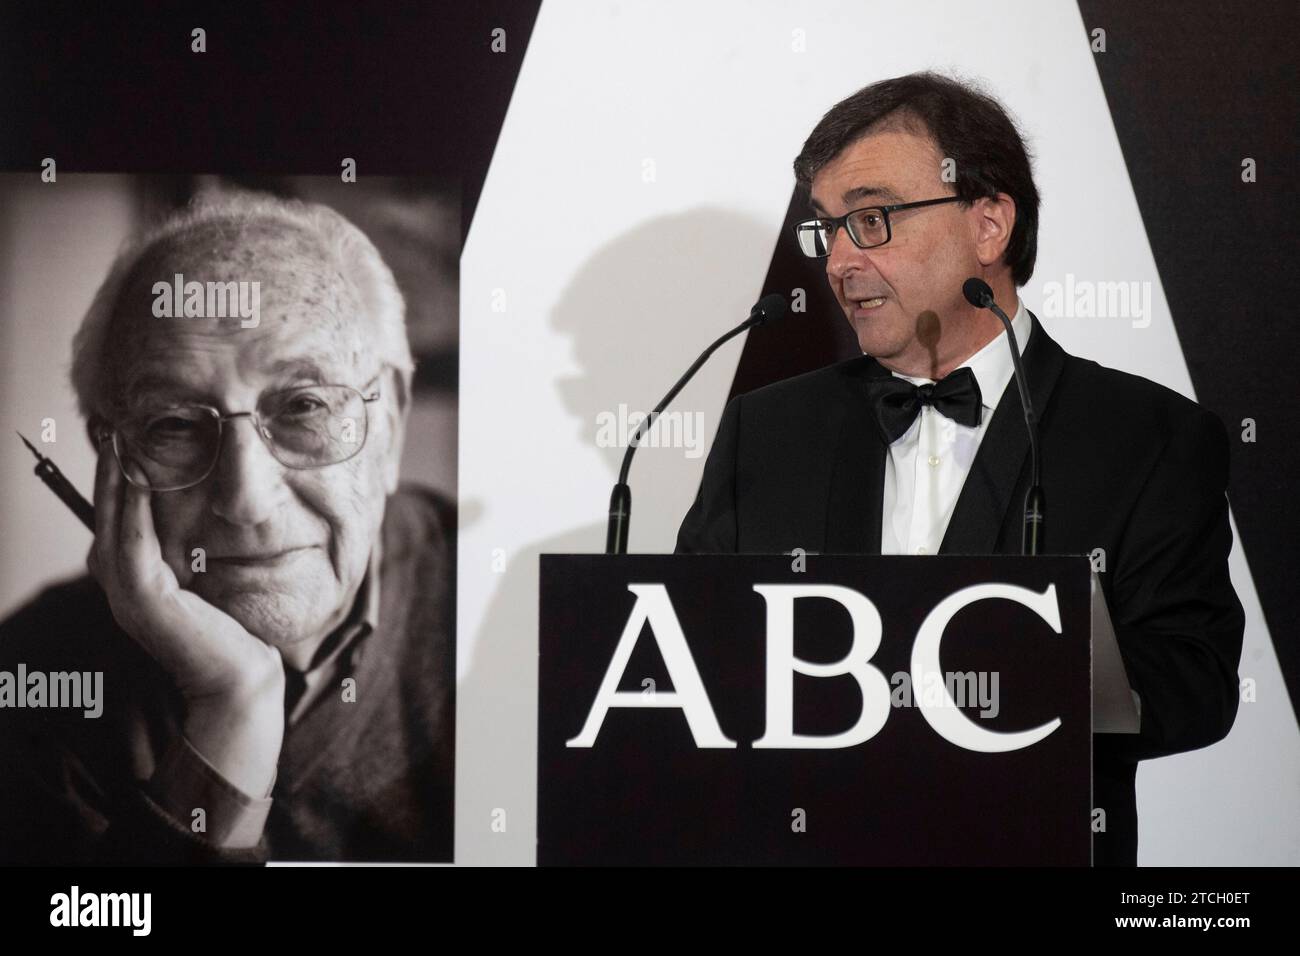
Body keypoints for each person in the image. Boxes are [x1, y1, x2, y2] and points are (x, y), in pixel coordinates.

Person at [676, 72, 1244, 867]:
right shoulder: (766, 431)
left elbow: (1198, 685)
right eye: (826, 229)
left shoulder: (1150, 438)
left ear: (989, 223)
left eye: (871, 220)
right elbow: (693, 657)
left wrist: (1015, 668)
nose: (839, 261)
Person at [0, 193, 454, 863]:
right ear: (111, 461)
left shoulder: (516, 616)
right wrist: (228, 713)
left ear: (388, 425)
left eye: (304, 406)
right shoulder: (33, 678)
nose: (245, 498)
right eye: (176, 425)